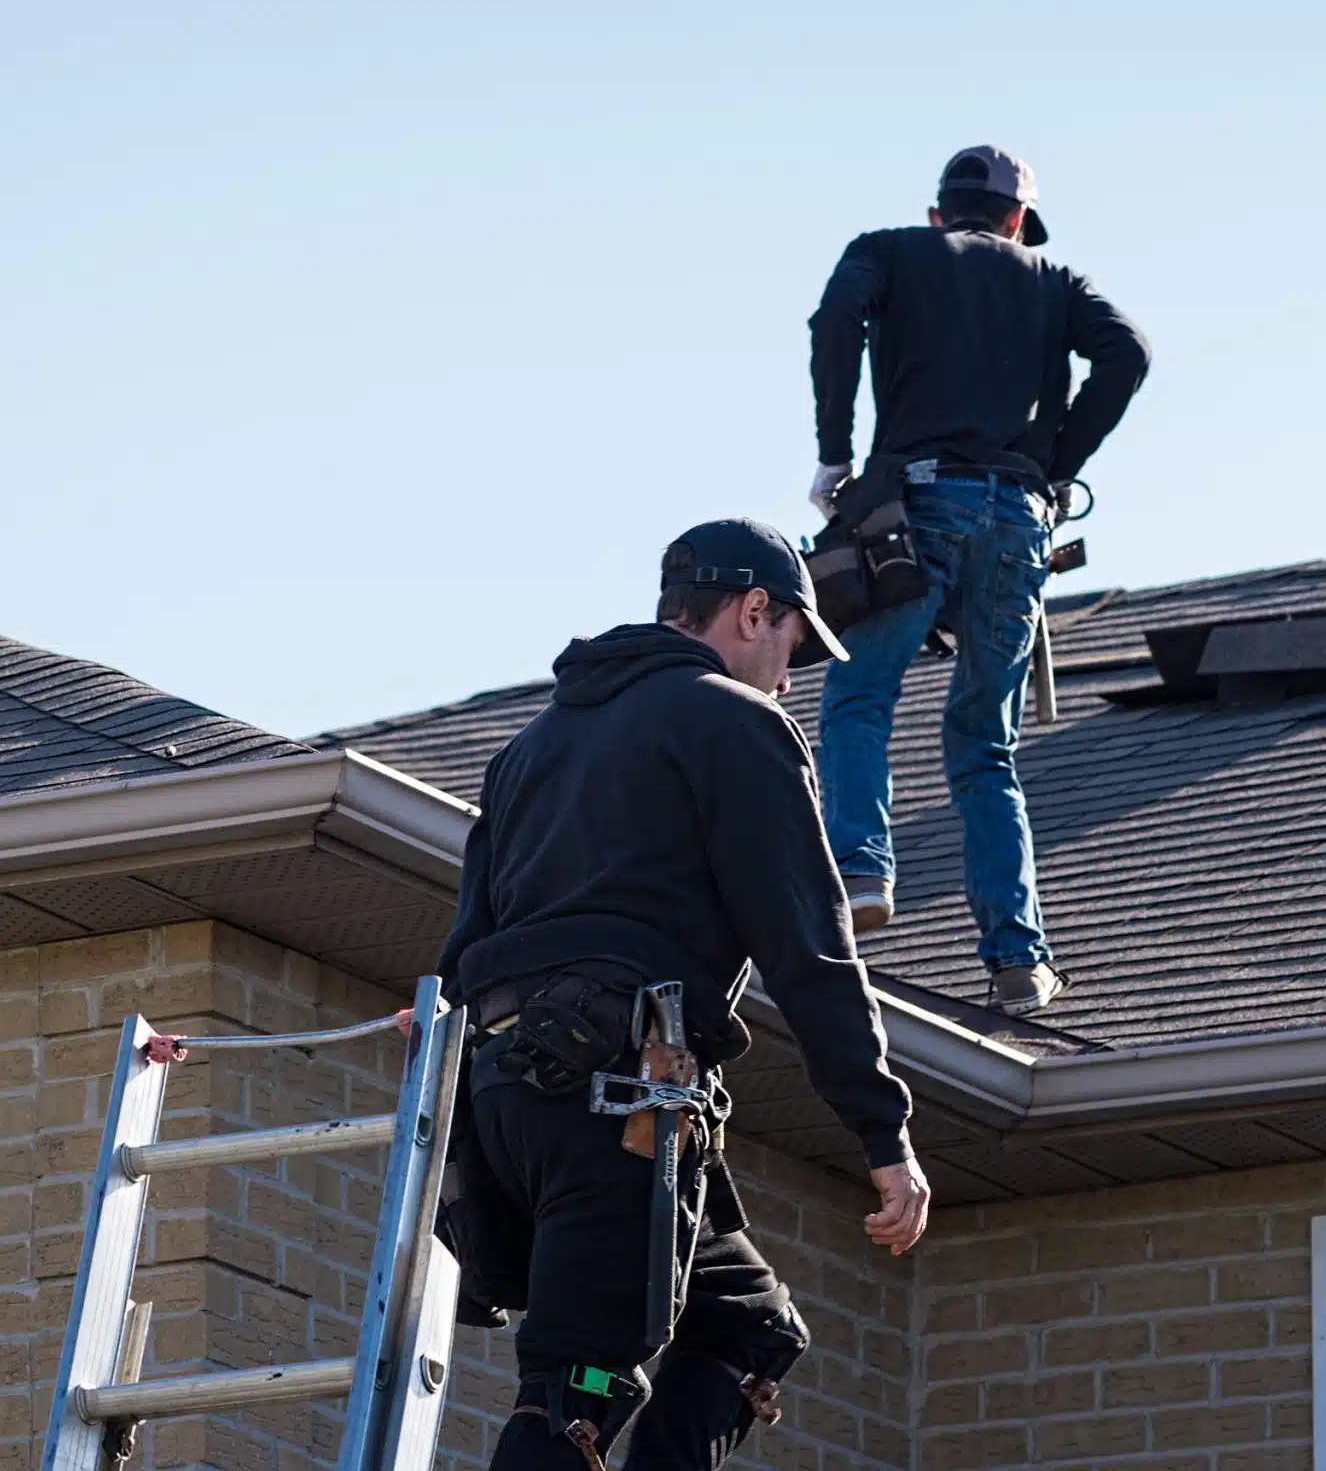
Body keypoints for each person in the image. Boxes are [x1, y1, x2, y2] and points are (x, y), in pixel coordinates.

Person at [435, 517, 932, 1470]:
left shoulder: (530, 749)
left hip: (512, 1102)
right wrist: (884, 1134)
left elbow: (462, 955)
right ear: (755, 610)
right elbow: (811, 952)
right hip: (617, 1102)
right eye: (792, 644)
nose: (791, 677)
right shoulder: (738, 725)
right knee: (576, 1388)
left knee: (748, 1328)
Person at [807, 145, 1151, 1017]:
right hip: (1017, 521)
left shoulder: (890, 250)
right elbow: (1129, 354)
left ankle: (858, 874)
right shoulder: (1053, 279)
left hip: (918, 506)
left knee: (858, 696)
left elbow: (834, 319)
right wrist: (1055, 461)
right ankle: (1018, 960)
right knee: (984, 744)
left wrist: (836, 453)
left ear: (938, 214)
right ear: (1014, 221)